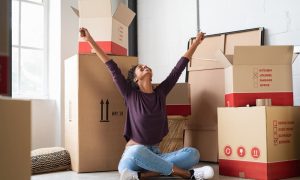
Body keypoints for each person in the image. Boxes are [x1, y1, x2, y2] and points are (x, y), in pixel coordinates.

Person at [79, 27, 214, 180]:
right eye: (140, 68)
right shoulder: (130, 95)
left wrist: (195, 43)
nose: (144, 66)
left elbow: (179, 68)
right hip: (133, 157)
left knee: (193, 154)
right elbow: (111, 66)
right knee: (137, 152)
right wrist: (89, 40)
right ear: (136, 79)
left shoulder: (161, 93)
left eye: (145, 66)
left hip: (156, 155)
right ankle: (187, 174)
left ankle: (145, 175)